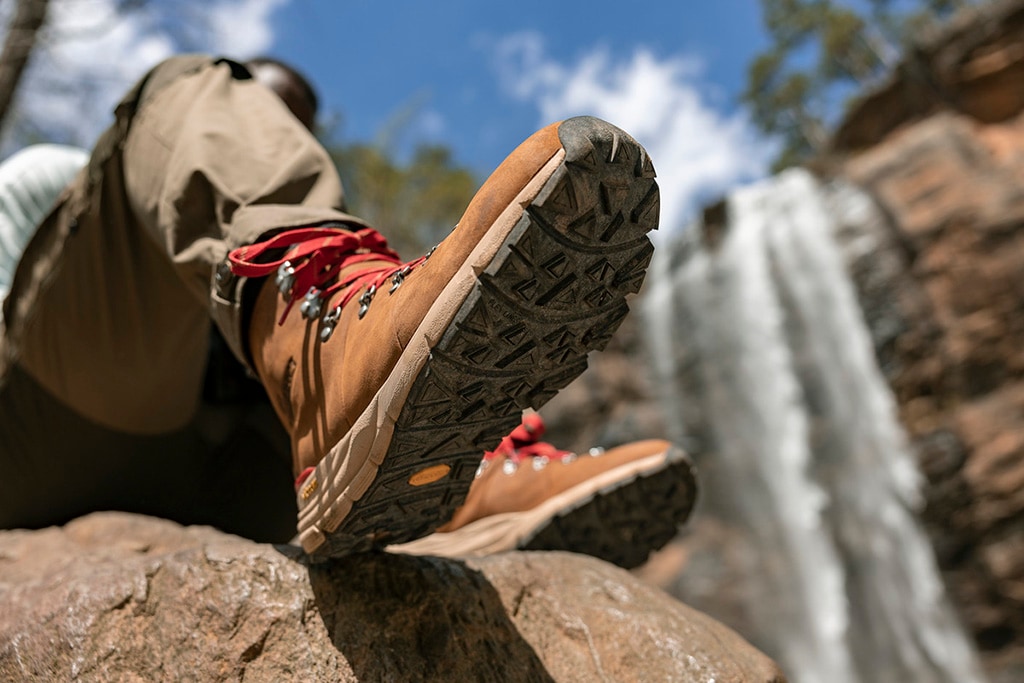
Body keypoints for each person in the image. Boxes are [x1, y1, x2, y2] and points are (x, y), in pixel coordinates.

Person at [0, 55, 695, 568]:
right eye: (259, 104)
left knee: (395, 319)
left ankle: (461, 484)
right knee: (184, 81)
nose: (269, 127)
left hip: (244, 480)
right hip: (61, 436)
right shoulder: (57, 176)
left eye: (292, 124)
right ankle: (336, 367)